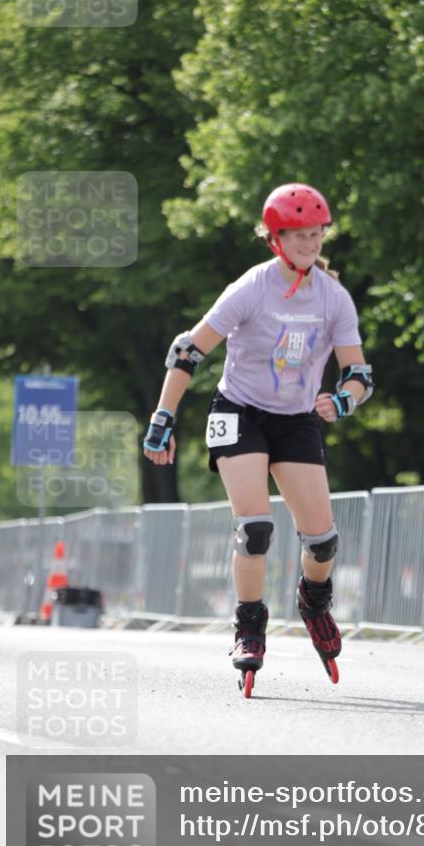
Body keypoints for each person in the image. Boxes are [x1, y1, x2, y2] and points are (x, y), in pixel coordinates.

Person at [143, 183, 373, 692]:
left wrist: (343, 401)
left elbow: (359, 373)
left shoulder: (333, 297)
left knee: (323, 541)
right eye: (298, 236)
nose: (308, 244)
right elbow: (188, 351)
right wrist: (163, 417)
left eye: (315, 234)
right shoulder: (252, 287)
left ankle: (314, 601)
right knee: (255, 530)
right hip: (239, 411)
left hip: (295, 419)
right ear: (275, 239)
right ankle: (249, 627)